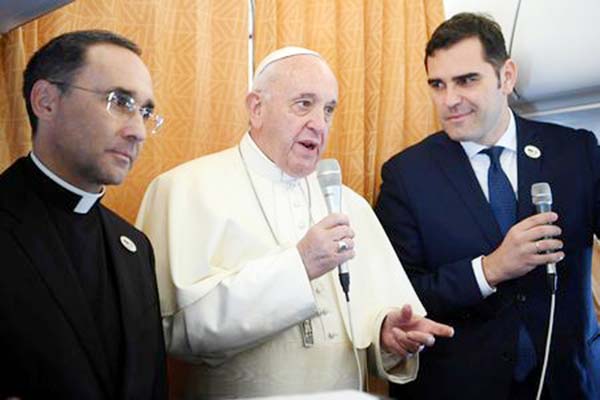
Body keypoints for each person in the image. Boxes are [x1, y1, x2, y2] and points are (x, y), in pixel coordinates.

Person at [136, 46, 454, 398]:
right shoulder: (185, 189)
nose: (319, 124)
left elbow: (369, 327)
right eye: (304, 104)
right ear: (256, 108)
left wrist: (385, 336)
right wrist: (298, 267)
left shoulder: (350, 205)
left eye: (328, 109)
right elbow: (173, 332)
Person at [375, 12, 600, 400]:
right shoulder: (406, 176)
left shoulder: (575, 151)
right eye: (437, 85)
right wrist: (489, 269)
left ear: (506, 77)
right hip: (461, 386)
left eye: (467, 80)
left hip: (569, 381)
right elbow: (400, 294)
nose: (450, 100)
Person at [0, 30, 167, 399]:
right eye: (119, 101)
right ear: (46, 101)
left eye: (146, 112)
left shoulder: (136, 249)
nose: (138, 131)